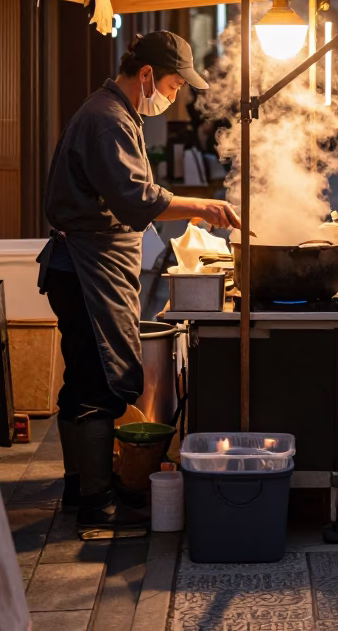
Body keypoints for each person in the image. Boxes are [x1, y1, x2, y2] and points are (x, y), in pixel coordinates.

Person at [38, 31, 241, 541]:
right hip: (87, 267)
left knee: (83, 375)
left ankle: (78, 487)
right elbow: (135, 199)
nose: (174, 96)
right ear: (147, 75)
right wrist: (204, 206)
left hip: (84, 264)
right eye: (173, 85)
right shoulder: (107, 118)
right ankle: (98, 506)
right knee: (101, 382)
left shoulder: (113, 112)